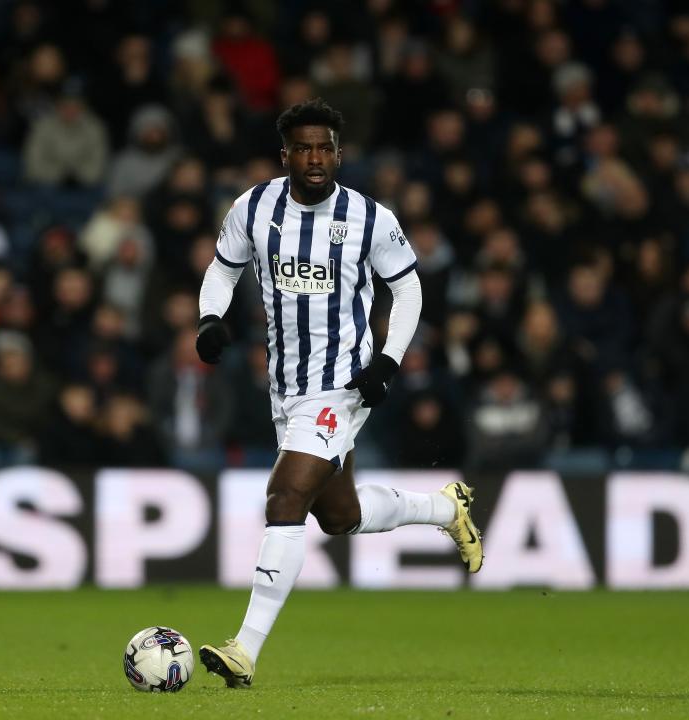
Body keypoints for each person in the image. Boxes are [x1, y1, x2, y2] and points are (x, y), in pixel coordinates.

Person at [194, 99, 483, 689]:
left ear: (338, 153)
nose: (316, 158)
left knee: (284, 498)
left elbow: (410, 293)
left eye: (325, 147)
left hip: (342, 386)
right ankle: (445, 508)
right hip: (287, 388)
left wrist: (386, 361)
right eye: (304, 148)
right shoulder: (254, 206)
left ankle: (244, 649)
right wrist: (209, 319)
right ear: (287, 156)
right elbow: (223, 269)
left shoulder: (370, 218)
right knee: (340, 516)